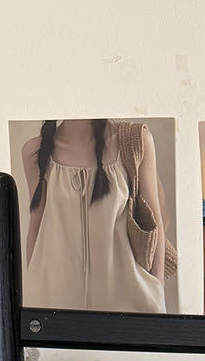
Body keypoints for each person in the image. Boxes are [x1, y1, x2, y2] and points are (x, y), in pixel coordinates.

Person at [22, 120, 169, 313]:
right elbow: (36, 225)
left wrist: (157, 285)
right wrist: (34, 297)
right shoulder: (34, 151)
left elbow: (154, 218)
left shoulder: (136, 140)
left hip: (128, 300)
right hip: (52, 300)